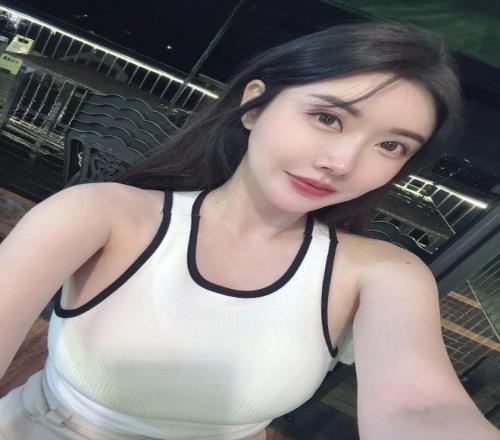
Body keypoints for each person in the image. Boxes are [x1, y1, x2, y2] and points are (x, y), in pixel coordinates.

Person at [0, 21, 498, 440]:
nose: (343, 162)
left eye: (391, 146)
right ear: (255, 105)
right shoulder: (101, 215)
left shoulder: (382, 273)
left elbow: (419, 404)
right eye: (327, 118)